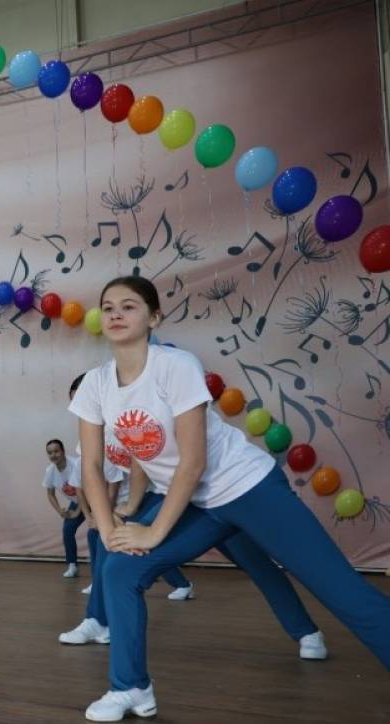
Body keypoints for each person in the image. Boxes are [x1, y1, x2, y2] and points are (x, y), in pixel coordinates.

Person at [72, 276, 390, 721]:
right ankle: (131, 688)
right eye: (108, 307)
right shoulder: (95, 384)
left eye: (129, 306)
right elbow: (90, 466)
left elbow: (193, 462)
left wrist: (155, 530)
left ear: (154, 317)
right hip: (199, 504)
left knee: (342, 592)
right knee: (120, 570)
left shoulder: (175, 365)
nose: (116, 314)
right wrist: (108, 531)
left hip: (248, 487)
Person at [41, 439, 83, 578]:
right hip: (76, 502)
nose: (53, 455)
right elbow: (50, 493)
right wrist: (60, 511)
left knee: (96, 532)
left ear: (63, 451)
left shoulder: (75, 464)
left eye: (56, 451)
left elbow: (87, 490)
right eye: (50, 453)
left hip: (92, 500)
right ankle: (72, 565)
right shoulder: (50, 471)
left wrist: (78, 511)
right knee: (67, 530)